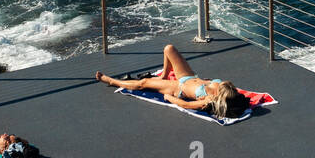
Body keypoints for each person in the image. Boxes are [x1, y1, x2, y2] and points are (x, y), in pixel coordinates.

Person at [95, 43, 249, 119]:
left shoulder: (207, 101)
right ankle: (164, 74)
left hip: (178, 87)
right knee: (169, 49)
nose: (220, 83)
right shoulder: (225, 88)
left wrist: (170, 98)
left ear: (220, 94)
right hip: (190, 77)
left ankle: (111, 81)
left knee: (143, 83)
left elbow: (186, 105)